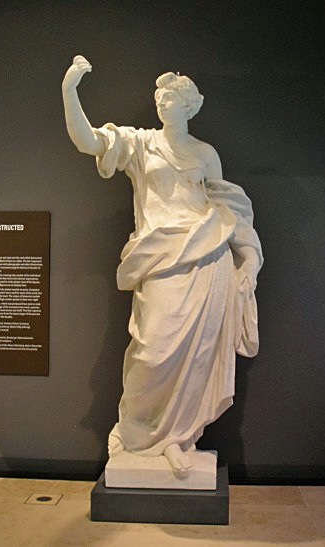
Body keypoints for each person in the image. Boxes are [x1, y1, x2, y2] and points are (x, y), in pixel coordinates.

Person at [62, 56, 262, 473]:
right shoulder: (139, 144)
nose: (162, 101)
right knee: (152, 351)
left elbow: (227, 211)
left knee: (197, 357)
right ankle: (138, 434)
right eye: (159, 96)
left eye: (171, 96)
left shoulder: (206, 155)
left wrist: (250, 260)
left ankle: (179, 437)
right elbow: (88, 141)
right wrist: (69, 90)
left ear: (190, 106)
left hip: (206, 261)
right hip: (158, 260)